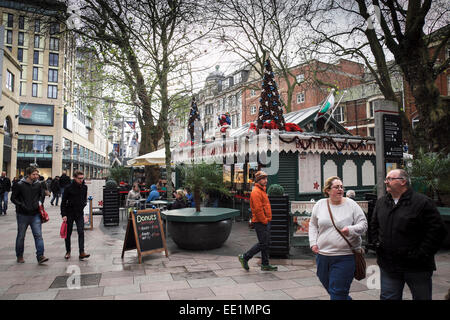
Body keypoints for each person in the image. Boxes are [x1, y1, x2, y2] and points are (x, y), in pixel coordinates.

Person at [370, 169, 447, 300]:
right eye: (386, 179)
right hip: (389, 265)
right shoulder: (381, 202)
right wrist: (378, 245)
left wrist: (421, 253)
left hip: (417, 267)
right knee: (388, 297)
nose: (386, 182)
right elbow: (374, 226)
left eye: (390, 179)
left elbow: (437, 231)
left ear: (403, 181)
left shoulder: (422, 202)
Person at [308, 176, 367, 300]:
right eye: (336, 187)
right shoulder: (320, 204)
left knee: (338, 292)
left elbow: (363, 225)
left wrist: (350, 230)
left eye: (341, 187)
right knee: (334, 291)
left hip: (345, 257)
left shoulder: (351, 204)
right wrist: (313, 242)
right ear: (328, 190)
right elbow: (313, 224)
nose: (340, 189)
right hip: (323, 256)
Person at [238, 171, 278, 271]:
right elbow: (258, 209)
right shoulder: (256, 192)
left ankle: (265, 264)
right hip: (260, 222)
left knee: (266, 243)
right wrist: (264, 220)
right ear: (258, 180)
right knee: (263, 243)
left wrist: (267, 219)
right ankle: (245, 257)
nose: (266, 181)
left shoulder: (262, 190)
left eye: (266, 178)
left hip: (265, 221)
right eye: (263, 179)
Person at [10, 166, 48, 264]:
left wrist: (39, 203)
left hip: (35, 214)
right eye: (34, 174)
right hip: (22, 214)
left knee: (38, 235)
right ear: (28, 175)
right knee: (21, 236)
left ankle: (40, 256)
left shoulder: (38, 184)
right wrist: (21, 205)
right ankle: (19, 256)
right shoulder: (19, 184)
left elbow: (42, 195)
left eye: (37, 174)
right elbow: (13, 198)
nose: (36, 176)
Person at [60, 170, 90, 260]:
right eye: (79, 178)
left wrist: (83, 204)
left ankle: (81, 252)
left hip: (79, 213)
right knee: (68, 233)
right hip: (69, 213)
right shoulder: (68, 188)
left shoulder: (84, 187)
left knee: (81, 232)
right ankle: (68, 251)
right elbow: (63, 202)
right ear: (74, 178)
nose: (81, 180)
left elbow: (84, 198)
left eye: (82, 178)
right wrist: (63, 214)